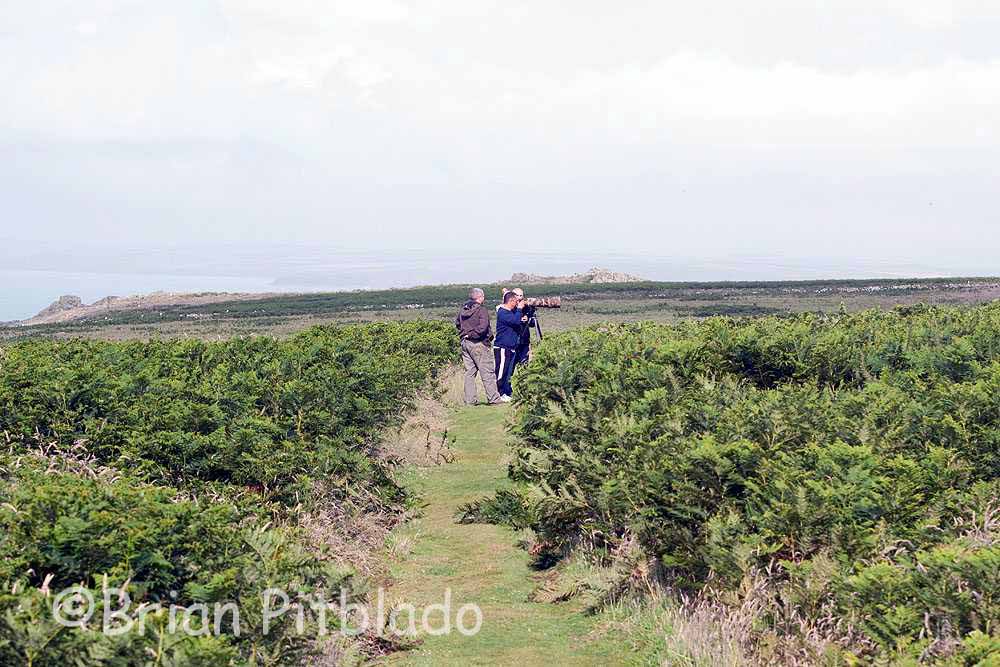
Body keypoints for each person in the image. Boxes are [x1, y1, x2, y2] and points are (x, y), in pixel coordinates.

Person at [455, 287, 504, 405]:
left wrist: (465, 334)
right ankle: (494, 399)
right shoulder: (481, 310)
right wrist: (473, 334)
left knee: (469, 373)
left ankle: (470, 401)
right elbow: (483, 328)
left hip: (465, 344)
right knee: (487, 372)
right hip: (479, 344)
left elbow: (457, 323)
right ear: (480, 297)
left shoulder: (463, 309)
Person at [493, 290, 526, 399]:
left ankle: (505, 393)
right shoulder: (503, 312)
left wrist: (522, 318)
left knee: (507, 372)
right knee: (501, 371)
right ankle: (499, 393)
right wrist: (520, 309)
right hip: (503, 346)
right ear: (511, 301)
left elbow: (516, 321)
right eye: (516, 302)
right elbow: (515, 321)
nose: (517, 304)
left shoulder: (510, 312)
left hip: (511, 347)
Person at [510, 287, 533, 372]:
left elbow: (533, 324)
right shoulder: (509, 308)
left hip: (524, 340)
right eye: (517, 295)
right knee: (510, 366)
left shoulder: (527, 308)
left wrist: (528, 317)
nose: (519, 297)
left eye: (521, 295)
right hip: (513, 341)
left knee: (524, 365)